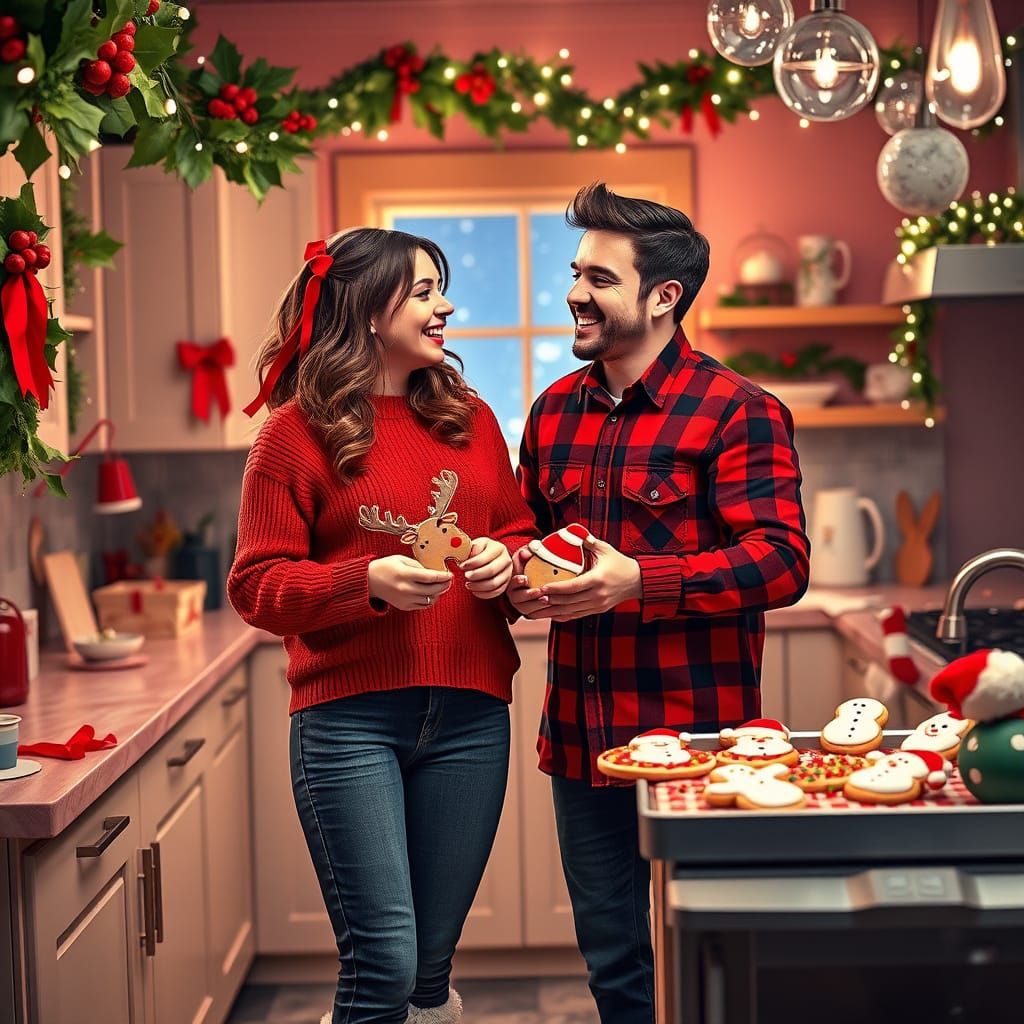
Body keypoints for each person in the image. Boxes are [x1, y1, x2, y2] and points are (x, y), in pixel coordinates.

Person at [507, 183, 810, 1023]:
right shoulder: (552, 413)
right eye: (576, 273)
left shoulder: (737, 411)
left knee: (709, 943)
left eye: (599, 278)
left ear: (663, 295)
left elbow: (782, 563)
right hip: (582, 738)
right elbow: (531, 541)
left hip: (697, 737)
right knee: (613, 959)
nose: (574, 293)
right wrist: (517, 579)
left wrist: (640, 580)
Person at [228, 228, 535, 1024]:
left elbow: (517, 531)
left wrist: (509, 566)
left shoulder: (472, 419)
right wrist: (361, 581)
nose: (447, 307)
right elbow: (257, 585)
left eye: (442, 288)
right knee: (385, 960)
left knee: (430, 967)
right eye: (426, 291)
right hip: (348, 722)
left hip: (471, 716)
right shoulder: (292, 434)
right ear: (367, 310)